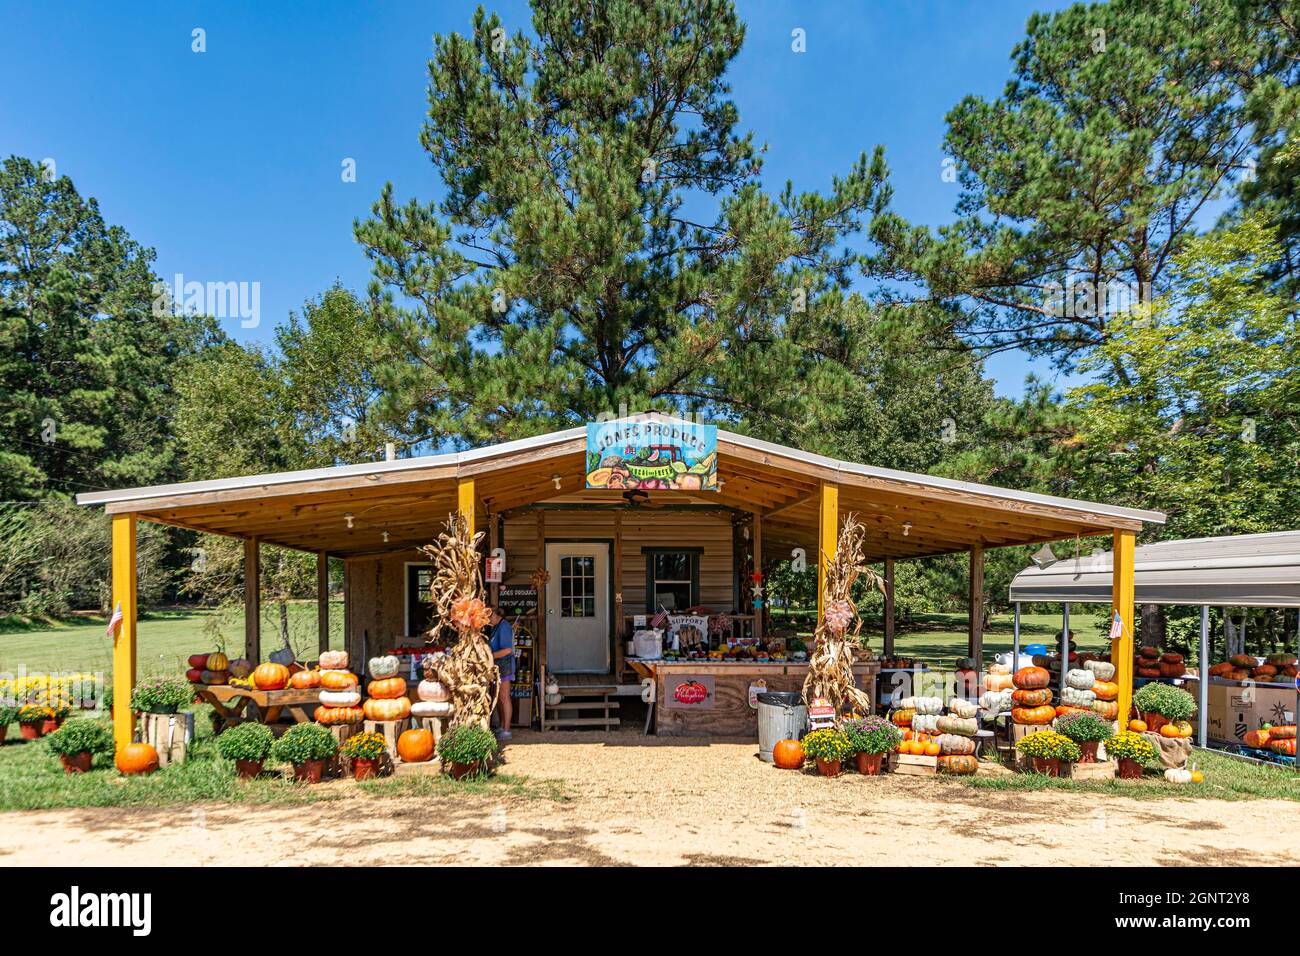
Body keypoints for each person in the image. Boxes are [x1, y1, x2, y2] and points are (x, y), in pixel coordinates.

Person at [488, 606, 514, 740]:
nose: (487, 619)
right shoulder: (496, 627)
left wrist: (489, 656)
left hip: (504, 665)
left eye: (489, 616)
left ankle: (507, 730)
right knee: (499, 698)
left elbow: (508, 650)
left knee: (504, 697)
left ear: (496, 615)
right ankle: (502, 725)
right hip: (498, 665)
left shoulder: (504, 627)